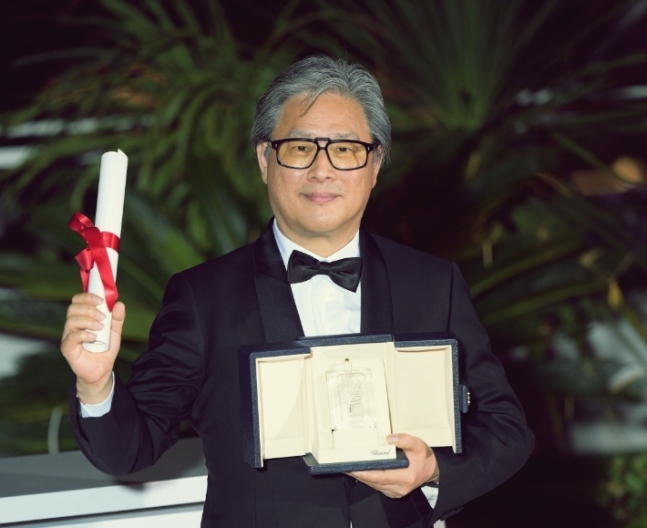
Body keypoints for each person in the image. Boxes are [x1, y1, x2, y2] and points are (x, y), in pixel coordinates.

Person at [61, 55, 534, 528]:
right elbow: (127, 450)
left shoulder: (433, 284)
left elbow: (508, 430)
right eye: (300, 147)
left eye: (346, 149)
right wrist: (96, 383)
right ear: (265, 159)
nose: (321, 170)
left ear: (375, 164)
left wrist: (433, 470)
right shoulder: (204, 298)